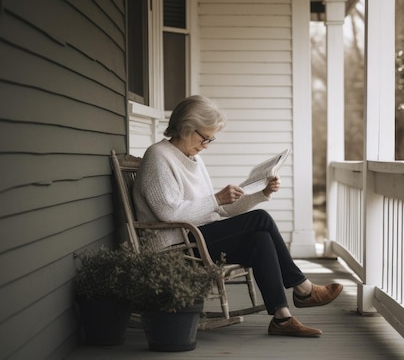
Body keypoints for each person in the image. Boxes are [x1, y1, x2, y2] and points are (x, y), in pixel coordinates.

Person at [133, 95, 343, 337]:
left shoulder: (194, 160)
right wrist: (216, 199)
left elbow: (219, 210)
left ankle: (282, 318)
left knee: (260, 239)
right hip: (177, 245)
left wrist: (260, 192)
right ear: (187, 128)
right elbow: (168, 213)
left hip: (197, 237)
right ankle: (303, 289)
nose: (207, 144)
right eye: (205, 138)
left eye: (211, 139)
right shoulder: (158, 156)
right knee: (260, 219)